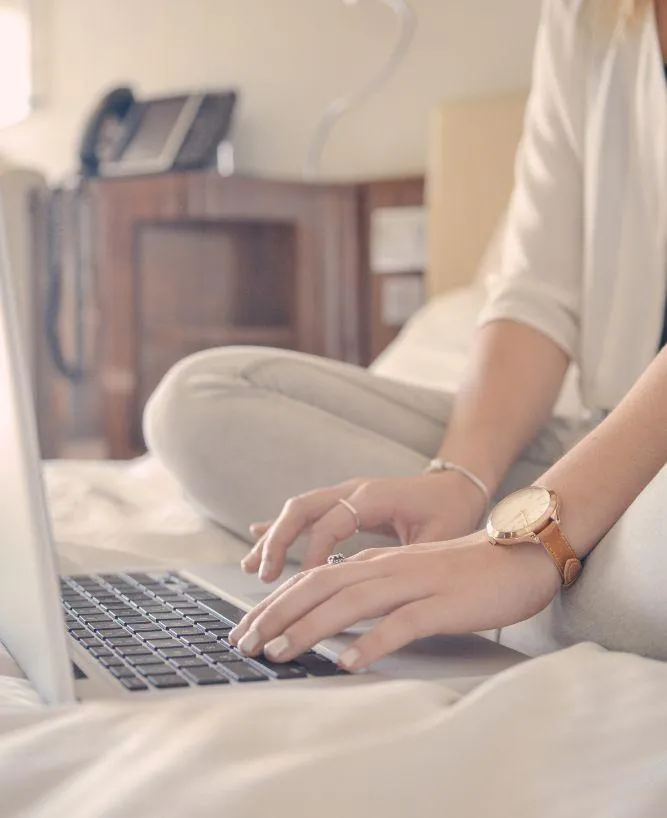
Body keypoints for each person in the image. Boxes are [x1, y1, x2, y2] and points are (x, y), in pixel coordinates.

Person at [144, 0, 667, 670]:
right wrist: (462, 478)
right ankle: (503, 582)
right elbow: (538, 293)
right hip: (595, 441)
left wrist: (532, 544)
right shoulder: (588, 17)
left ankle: (499, 585)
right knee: (202, 400)